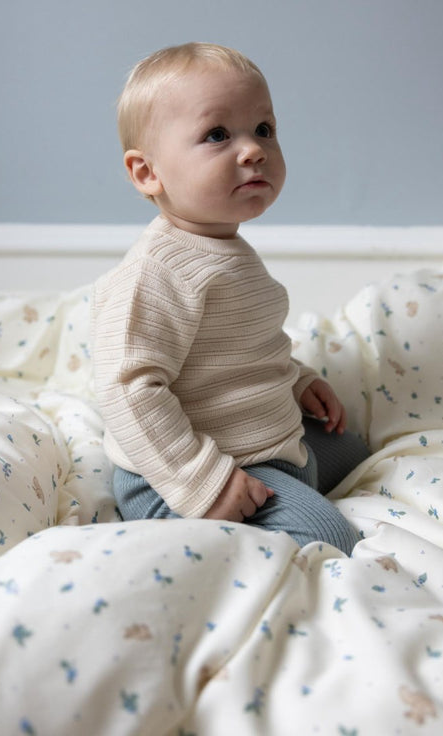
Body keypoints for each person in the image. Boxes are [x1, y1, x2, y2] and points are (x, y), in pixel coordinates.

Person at [90, 43, 370, 555]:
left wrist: (298, 380)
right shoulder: (155, 271)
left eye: (263, 129)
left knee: (357, 452)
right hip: (183, 474)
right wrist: (204, 483)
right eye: (217, 135)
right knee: (330, 539)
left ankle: (295, 481)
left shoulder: (226, 248)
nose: (253, 150)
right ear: (148, 172)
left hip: (265, 442)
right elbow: (127, 389)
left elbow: (239, 349)